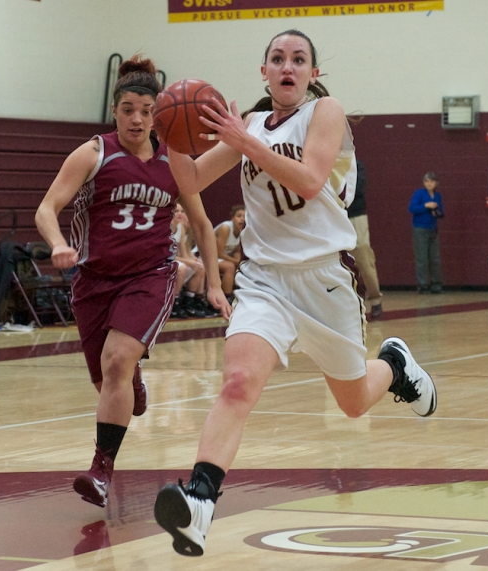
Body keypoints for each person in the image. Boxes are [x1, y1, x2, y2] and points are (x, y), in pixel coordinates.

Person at [153, 29, 437, 557]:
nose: (288, 66)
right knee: (238, 382)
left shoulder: (325, 112)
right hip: (264, 279)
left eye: (299, 59)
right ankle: (200, 501)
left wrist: (243, 141)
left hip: (324, 278)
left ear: (312, 73)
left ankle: (395, 367)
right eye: (278, 58)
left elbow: (309, 180)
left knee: (353, 403)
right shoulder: (248, 125)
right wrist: (169, 131)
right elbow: (189, 179)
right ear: (264, 72)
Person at [35, 55, 230, 509]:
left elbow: (202, 225)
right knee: (109, 379)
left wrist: (214, 285)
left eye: (146, 110)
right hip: (94, 281)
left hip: (150, 275)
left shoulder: (175, 161)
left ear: (158, 114)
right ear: (115, 111)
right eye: (128, 110)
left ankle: (101, 471)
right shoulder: (93, 153)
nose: (137, 119)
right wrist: (58, 243)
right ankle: (132, 381)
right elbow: (47, 208)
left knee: (118, 360)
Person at [348, 159, 384, 318]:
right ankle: (345, 304)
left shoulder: (356, 165)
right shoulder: (325, 163)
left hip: (355, 216)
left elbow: (357, 188)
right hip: (334, 216)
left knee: (364, 259)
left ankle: (376, 300)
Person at [170, 199, 215, 318]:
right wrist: (188, 262)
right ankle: (174, 303)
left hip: (174, 260)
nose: (179, 214)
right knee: (182, 268)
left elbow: (184, 253)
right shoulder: (166, 228)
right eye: (176, 211)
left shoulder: (180, 228)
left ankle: (190, 301)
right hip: (162, 261)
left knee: (200, 267)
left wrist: (193, 262)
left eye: (182, 211)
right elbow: (166, 255)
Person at [409, 172, 444, 294]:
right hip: (420, 229)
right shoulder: (419, 193)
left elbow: (441, 211)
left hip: (433, 229)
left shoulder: (437, 196)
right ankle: (422, 285)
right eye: (427, 181)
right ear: (424, 183)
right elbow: (412, 208)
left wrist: (436, 212)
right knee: (422, 258)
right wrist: (426, 206)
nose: (429, 184)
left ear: (436, 183)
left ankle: (436, 285)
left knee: (435, 258)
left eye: (432, 182)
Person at [214, 204, 246, 303]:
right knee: (230, 267)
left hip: (220, 259)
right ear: (232, 218)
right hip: (205, 257)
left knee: (242, 267)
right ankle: (227, 297)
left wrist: (238, 262)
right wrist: (236, 261)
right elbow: (218, 253)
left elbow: (236, 250)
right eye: (239, 216)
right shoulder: (226, 228)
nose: (242, 219)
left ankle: (239, 294)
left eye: (244, 216)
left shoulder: (242, 230)